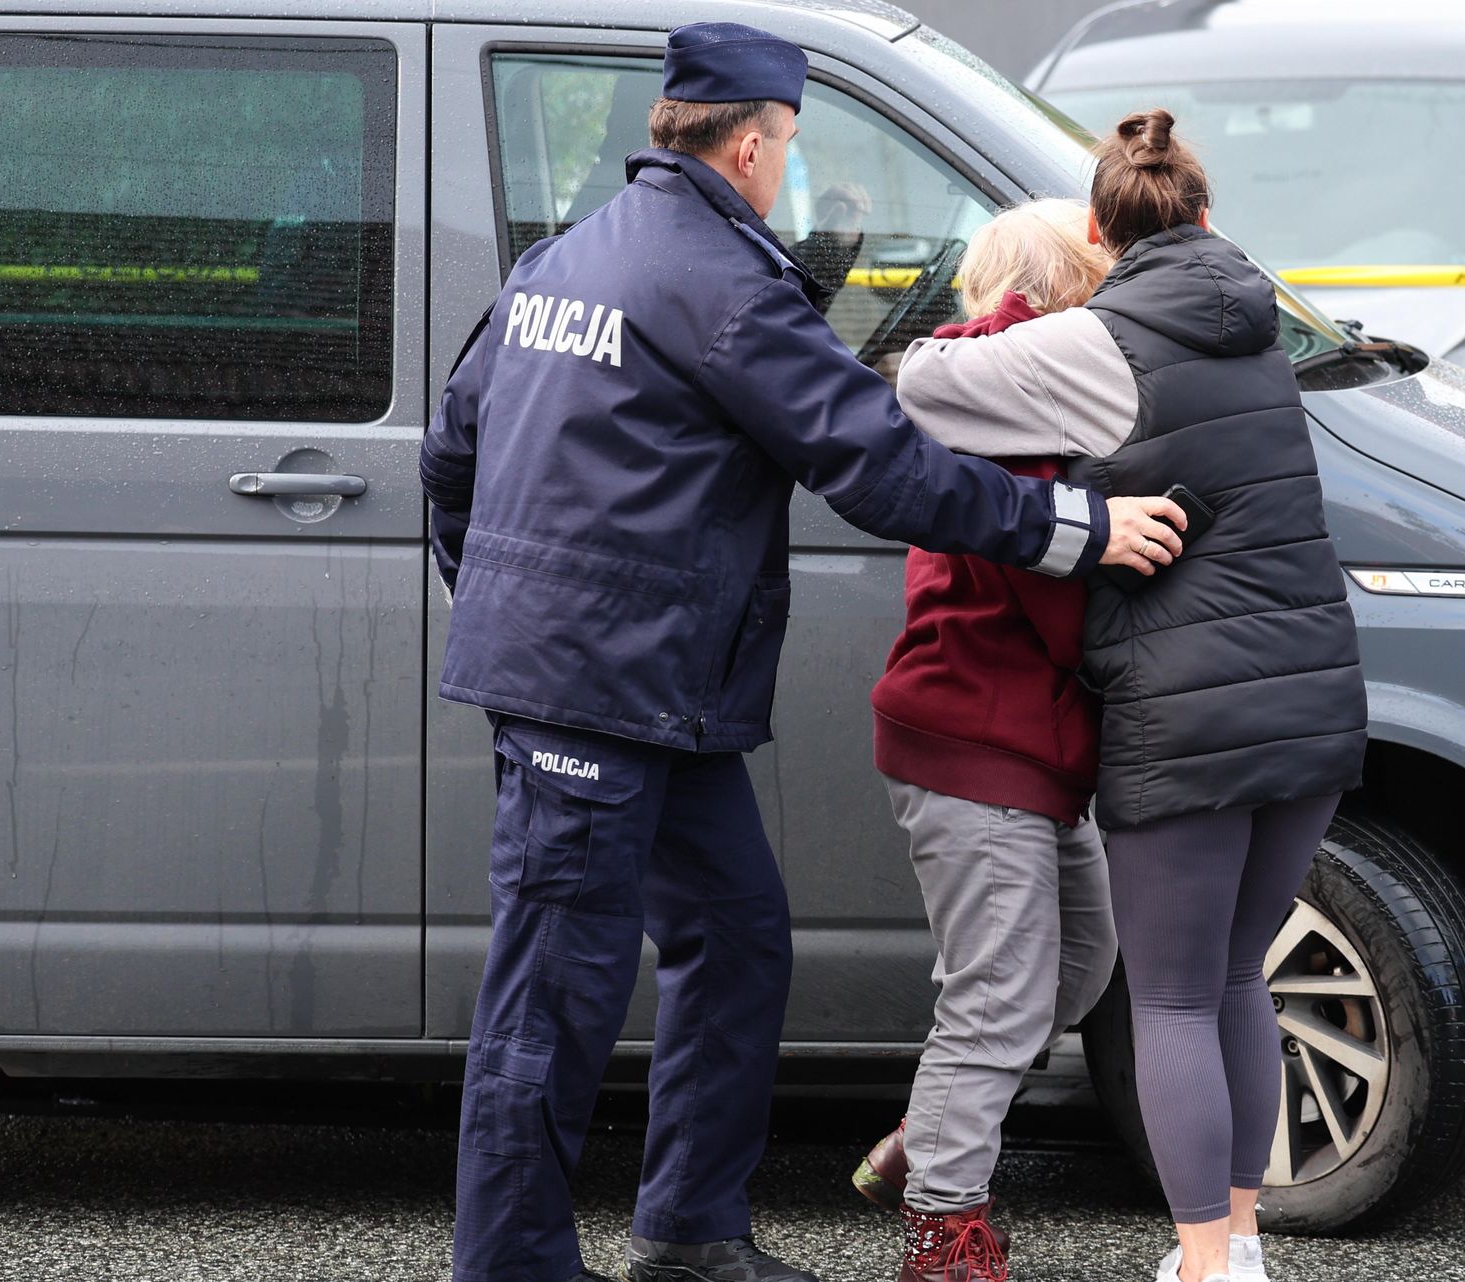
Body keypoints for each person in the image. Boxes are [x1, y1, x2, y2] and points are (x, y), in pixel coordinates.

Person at [418, 22, 1189, 1282]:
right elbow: (876, 463)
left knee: (738, 933)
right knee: (554, 992)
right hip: (596, 693)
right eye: (787, 143)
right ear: (756, 140)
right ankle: (509, 1265)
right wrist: (1072, 526)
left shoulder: (569, 258)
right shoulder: (716, 282)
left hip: (644, 689)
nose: (785, 162)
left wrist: (503, 604)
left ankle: (690, 1235)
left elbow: (452, 455)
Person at [884, 110, 1369, 1282]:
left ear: (1104, 233)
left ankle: (1206, 1261)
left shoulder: (1096, 345)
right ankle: (1241, 1240)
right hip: (1311, 708)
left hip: (1186, 724)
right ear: (1209, 218)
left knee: (1174, 1001)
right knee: (1239, 972)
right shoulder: (1264, 332)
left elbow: (920, 378)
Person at [848, 200, 1118, 1282]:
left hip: (1014, 739)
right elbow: (1056, 596)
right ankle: (945, 1232)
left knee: (1084, 960)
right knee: (998, 996)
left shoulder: (994, 380)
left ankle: (932, 1132)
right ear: (1068, 290)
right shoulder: (1015, 394)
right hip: (981, 733)